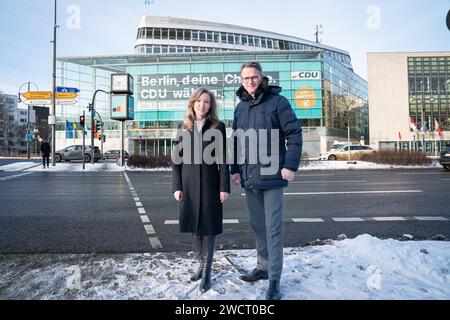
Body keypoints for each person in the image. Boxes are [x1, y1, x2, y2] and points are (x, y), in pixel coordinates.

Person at [230, 61, 302, 300]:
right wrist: (235, 169)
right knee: (258, 227)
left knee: (273, 230)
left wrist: (290, 165)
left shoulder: (278, 103)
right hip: (249, 178)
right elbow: (237, 141)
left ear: (262, 78)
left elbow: (293, 134)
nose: (250, 81)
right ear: (241, 81)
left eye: (254, 77)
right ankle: (262, 268)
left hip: (272, 177)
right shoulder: (240, 108)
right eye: (246, 78)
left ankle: (274, 279)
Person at [172, 87, 230, 292]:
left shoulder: (218, 127)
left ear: (211, 105)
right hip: (188, 185)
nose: (202, 104)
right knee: (194, 229)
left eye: (206, 101)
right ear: (192, 103)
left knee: (209, 229)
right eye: (198, 101)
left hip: (210, 184)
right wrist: (176, 187)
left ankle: (207, 273)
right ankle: (199, 265)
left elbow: (223, 160)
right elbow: (176, 161)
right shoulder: (183, 127)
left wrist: (224, 187)